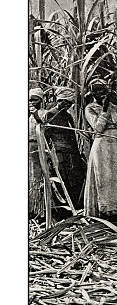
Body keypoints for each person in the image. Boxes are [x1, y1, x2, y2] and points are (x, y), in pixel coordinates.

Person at [83, 79, 117, 218]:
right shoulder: (90, 108)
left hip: (115, 142)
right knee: (103, 175)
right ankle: (104, 210)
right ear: (92, 92)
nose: (100, 93)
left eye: (102, 90)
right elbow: (98, 128)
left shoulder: (114, 106)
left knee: (116, 175)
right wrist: (105, 110)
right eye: (97, 90)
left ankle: (116, 210)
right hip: (102, 144)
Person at [44, 87, 87, 210]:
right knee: (63, 180)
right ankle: (63, 210)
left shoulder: (68, 116)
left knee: (75, 180)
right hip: (59, 153)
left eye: (69, 103)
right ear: (58, 100)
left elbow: (72, 135)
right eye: (64, 102)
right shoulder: (51, 114)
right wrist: (49, 156)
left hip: (72, 153)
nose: (66, 105)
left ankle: (75, 207)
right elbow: (46, 136)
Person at [29, 87, 46, 219]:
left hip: (39, 146)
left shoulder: (44, 113)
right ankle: (31, 209)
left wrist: (35, 114)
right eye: (30, 100)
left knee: (39, 177)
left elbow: (42, 126)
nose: (32, 102)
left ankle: (41, 211)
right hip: (29, 147)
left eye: (35, 99)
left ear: (41, 100)